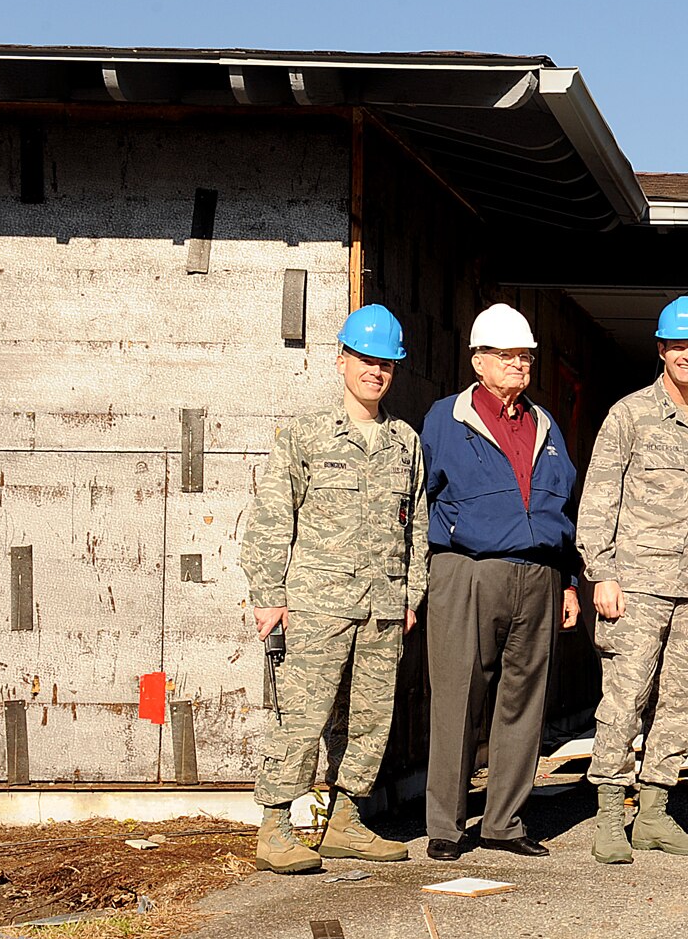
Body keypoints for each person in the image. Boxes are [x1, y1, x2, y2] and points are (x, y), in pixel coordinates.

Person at [240, 304, 427, 874]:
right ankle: (274, 825)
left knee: (370, 716)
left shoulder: (404, 441)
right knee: (301, 713)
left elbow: (416, 523)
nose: (376, 371)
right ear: (342, 359)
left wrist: (410, 597)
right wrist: (268, 594)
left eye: (386, 363)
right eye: (366, 359)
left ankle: (344, 819)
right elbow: (273, 515)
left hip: (381, 606)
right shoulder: (305, 434)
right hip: (317, 603)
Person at [419, 303, 582, 861]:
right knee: (459, 695)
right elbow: (421, 499)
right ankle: (446, 822)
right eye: (508, 355)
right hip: (466, 570)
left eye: (526, 356)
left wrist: (569, 581)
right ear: (479, 360)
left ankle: (505, 822)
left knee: (524, 701)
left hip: (539, 572)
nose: (520, 364)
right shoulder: (447, 417)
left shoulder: (545, 423)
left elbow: (564, 502)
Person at [578, 296, 688, 864]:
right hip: (635, 584)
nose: (687, 355)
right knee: (624, 698)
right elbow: (597, 498)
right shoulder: (629, 414)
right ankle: (610, 814)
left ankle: (656, 813)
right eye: (678, 346)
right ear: (661, 350)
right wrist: (601, 574)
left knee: (684, 701)